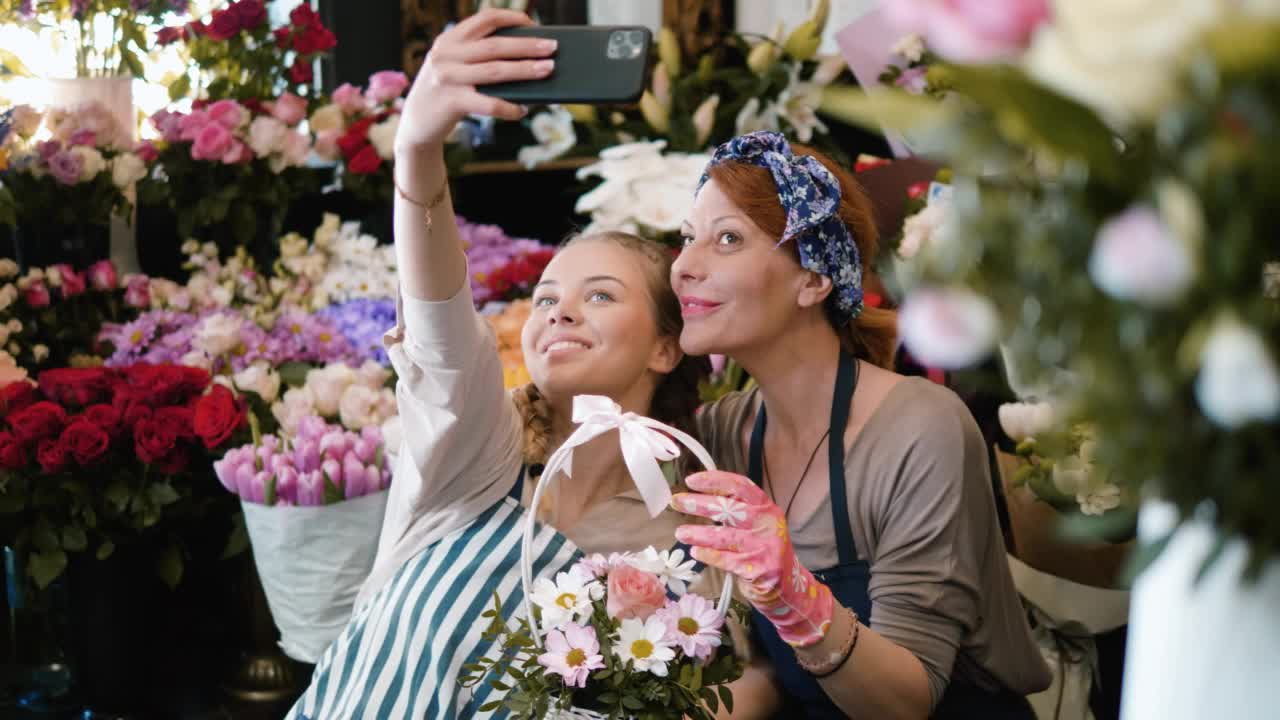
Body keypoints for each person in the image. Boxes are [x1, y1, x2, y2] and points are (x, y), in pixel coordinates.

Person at [285, 10, 710, 719]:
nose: (558, 313)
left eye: (599, 295)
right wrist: (418, 149)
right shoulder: (479, 456)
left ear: (667, 346)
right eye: (545, 299)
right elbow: (441, 335)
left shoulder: (675, 545)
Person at [670, 131, 1051, 719]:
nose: (685, 266)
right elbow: (757, 670)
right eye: (687, 238)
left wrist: (797, 597)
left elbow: (906, 699)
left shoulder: (919, 427)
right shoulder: (721, 433)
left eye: (727, 239)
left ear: (814, 279)